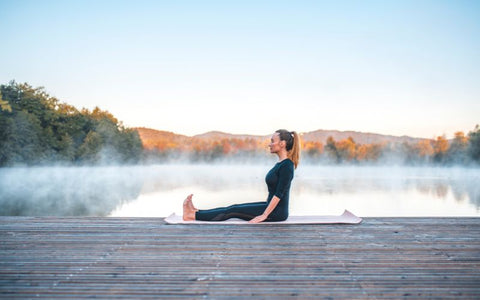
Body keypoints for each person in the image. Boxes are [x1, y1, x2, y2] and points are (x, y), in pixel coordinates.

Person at [182, 129, 300, 223]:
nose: (270, 144)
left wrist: (263, 215)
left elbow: (279, 194)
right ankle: (196, 212)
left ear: (282, 144)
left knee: (233, 211)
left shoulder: (287, 166)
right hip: (270, 207)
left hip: (277, 212)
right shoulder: (281, 164)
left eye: (272, 141)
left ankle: (191, 216)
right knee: (234, 207)